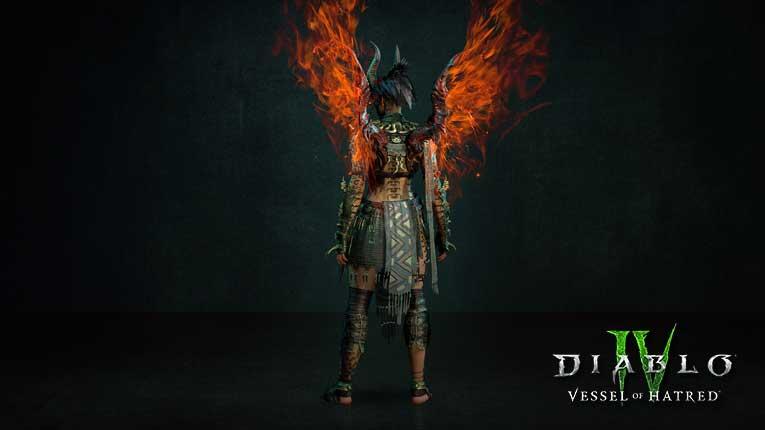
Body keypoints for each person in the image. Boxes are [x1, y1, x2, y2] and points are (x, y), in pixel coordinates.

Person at [323, 44, 455, 406]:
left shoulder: (367, 135)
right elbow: (434, 193)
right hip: (409, 227)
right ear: (402, 100)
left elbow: (354, 189)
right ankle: (419, 388)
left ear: (380, 100)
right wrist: (442, 238)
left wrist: (341, 239)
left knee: (358, 306)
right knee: (416, 305)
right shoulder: (419, 136)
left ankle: (345, 387)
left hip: (371, 223)